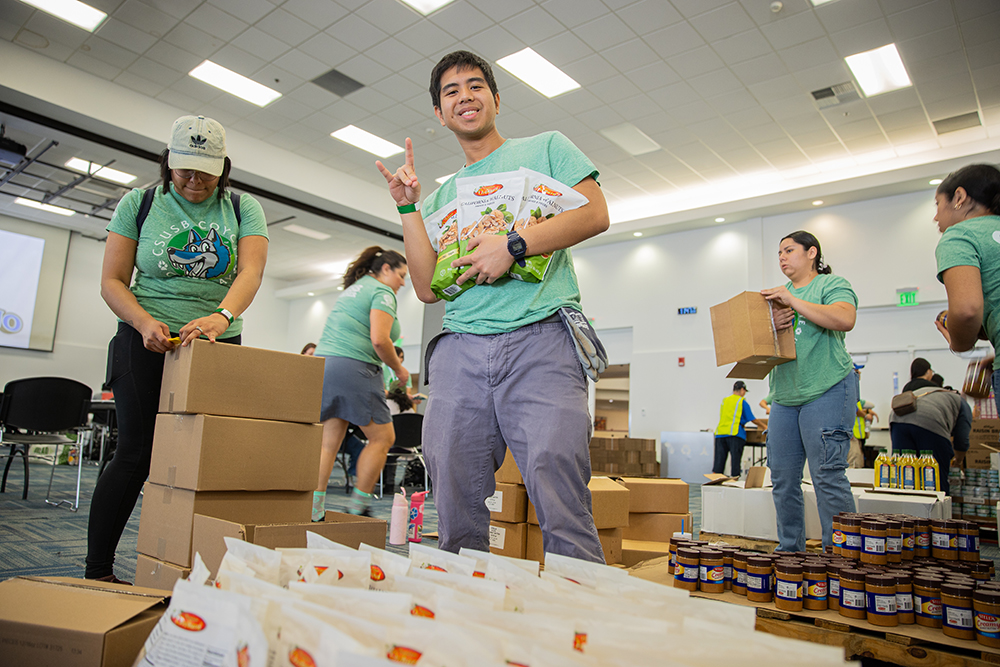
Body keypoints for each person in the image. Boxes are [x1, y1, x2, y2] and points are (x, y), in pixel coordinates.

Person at [375, 50, 610, 560]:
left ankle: (583, 627)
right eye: (451, 91)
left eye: (475, 85)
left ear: (496, 99)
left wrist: (514, 245)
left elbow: (596, 214)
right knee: (454, 489)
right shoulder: (442, 199)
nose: (465, 96)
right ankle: (466, 618)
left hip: (543, 336)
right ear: (440, 114)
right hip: (461, 347)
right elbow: (425, 287)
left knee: (557, 482)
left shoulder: (546, 148)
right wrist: (408, 206)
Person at [87, 115, 268, 583]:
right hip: (143, 336)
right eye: (183, 169)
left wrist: (221, 317)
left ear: (224, 168)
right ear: (167, 163)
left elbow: (249, 273)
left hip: (215, 341)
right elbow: (111, 281)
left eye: (205, 171)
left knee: (209, 457)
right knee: (136, 452)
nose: (193, 180)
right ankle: (98, 570)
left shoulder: (244, 207)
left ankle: (197, 569)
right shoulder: (139, 202)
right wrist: (143, 321)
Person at [762, 230, 859, 553]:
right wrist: (771, 325)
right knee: (783, 480)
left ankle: (842, 554)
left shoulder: (830, 285)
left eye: (789, 250)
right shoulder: (776, 297)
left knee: (828, 477)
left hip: (827, 389)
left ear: (812, 253)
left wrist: (793, 301)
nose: (782, 258)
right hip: (785, 399)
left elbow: (845, 319)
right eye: (778, 253)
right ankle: (790, 550)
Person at [312, 246, 408, 520]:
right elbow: (380, 339)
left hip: (326, 363)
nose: (402, 282)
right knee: (383, 437)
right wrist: (398, 369)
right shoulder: (382, 292)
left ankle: (314, 508)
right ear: (386, 269)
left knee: (329, 441)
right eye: (401, 275)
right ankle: (358, 507)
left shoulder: (355, 288)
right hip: (355, 365)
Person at [932, 164, 1000, 413]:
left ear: (959, 198)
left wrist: (959, 342)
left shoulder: (960, 235)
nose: (936, 217)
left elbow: (967, 311)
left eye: (937, 205)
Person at [889, 384, 971, 493]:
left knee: (904, 475)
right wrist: (958, 462)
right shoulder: (962, 403)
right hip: (931, 420)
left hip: (897, 418)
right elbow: (962, 440)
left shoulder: (930, 391)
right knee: (935, 476)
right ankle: (938, 507)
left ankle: (903, 508)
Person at [713, 381, 764, 478]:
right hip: (735, 434)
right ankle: (734, 483)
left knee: (718, 464)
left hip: (720, 434)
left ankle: (715, 483)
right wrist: (764, 426)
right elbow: (752, 418)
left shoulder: (725, 400)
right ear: (742, 390)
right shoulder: (741, 401)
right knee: (735, 463)